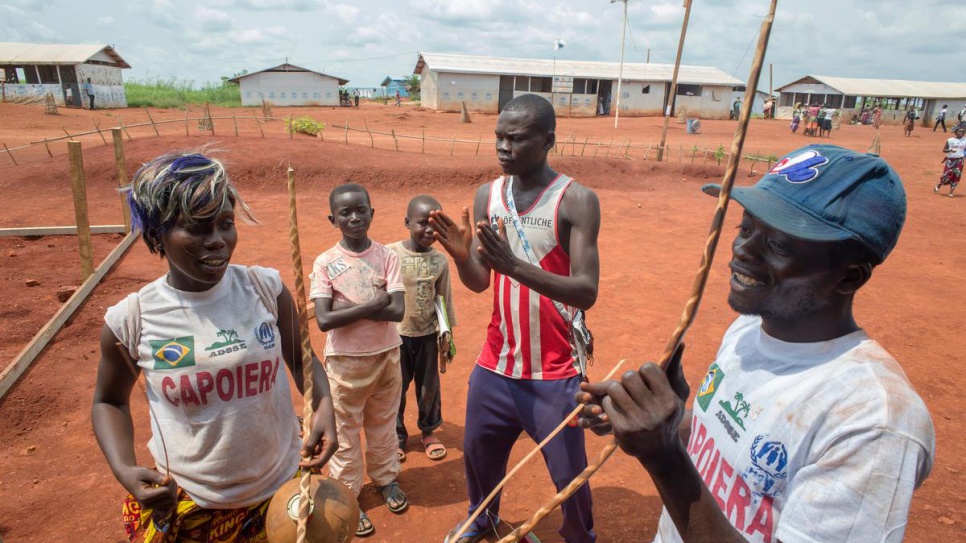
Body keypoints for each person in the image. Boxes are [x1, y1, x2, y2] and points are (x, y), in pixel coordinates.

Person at [578, 144, 935, 543]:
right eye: (746, 228)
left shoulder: (872, 421)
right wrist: (663, 420)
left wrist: (663, 458)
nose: (742, 250)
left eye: (779, 245)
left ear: (849, 277)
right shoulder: (749, 330)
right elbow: (728, 447)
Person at [92, 151, 338, 543]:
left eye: (226, 224)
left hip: (280, 492)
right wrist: (123, 467)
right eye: (197, 229)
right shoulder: (131, 320)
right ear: (156, 234)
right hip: (192, 505)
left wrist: (324, 405)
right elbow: (109, 402)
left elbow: (300, 358)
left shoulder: (265, 289)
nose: (218, 241)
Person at [430, 93, 600, 543]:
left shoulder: (576, 200)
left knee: (569, 475)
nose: (503, 147)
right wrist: (464, 257)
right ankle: (481, 519)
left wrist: (517, 267)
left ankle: (579, 536)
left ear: (548, 140)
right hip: (497, 363)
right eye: (499, 138)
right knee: (478, 453)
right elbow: (482, 280)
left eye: (517, 138)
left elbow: (587, 290)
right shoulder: (489, 195)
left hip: (555, 369)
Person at [310, 183, 408, 537]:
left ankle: (386, 480)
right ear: (332, 218)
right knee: (345, 434)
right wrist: (373, 304)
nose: (354, 218)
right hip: (344, 362)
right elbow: (324, 319)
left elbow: (397, 310)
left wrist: (345, 308)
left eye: (360, 210)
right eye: (345, 213)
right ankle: (348, 495)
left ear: (372, 212)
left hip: (385, 356)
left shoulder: (387, 257)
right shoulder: (326, 262)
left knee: (383, 424)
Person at [388, 195, 458, 463]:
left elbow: (442, 299)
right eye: (422, 223)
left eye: (436, 225)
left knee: (429, 387)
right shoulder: (391, 253)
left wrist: (446, 335)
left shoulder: (440, 261)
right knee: (395, 387)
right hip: (395, 336)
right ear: (407, 222)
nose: (430, 231)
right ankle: (397, 436)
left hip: (428, 334)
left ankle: (428, 430)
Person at [935, 124, 966, 197]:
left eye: (963, 132)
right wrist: (951, 150)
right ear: (956, 132)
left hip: (960, 160)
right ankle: (940, 184)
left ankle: (951, 191)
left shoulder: (965, 140)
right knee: (947, 174)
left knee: (957, 175)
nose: (962, 133)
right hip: (950, 160)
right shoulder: (950, 140)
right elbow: (944, 150)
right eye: (960, 131)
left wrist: (964, 156)